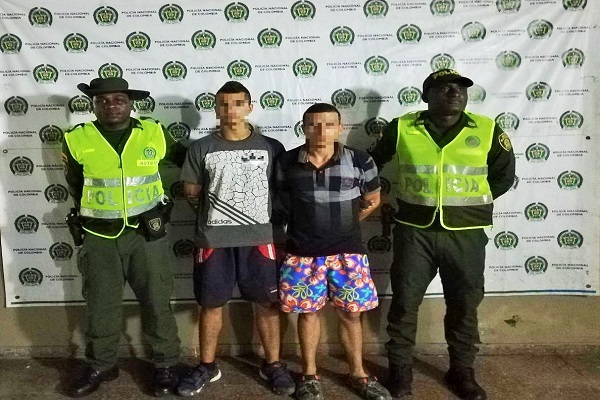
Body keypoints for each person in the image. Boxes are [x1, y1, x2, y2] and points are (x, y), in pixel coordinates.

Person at [369, 69, 516, 400]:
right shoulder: (402, 127)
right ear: (426, 96)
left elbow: (503, 177)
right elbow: (369, 164)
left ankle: (461, 370)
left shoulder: (488, 129)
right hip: (414, 231)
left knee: (464, 303)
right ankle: (400, 371)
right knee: (405, 302)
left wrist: (469, 204)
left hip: (466, 233)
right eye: (444, 88)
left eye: (460, 88)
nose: (454, 93)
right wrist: (377, 198)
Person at [62, 77, 186, 397]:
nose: (111, 105)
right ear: (93, 105)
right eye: (102, 100)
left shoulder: (154, 131)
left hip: (146, 234)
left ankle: (165, 364)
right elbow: (76, 185)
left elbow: (184, 163)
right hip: (98, 235)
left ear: (131, 103)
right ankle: (102, 363)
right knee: (101, 305)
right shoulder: (76, 138)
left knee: (156, 300)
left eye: (118, 99)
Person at [176, 81, 294, 397]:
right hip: (214, 240)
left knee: (267, 303)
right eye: (224, 104)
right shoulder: (200, 148)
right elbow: (191, 192)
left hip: (261, 239)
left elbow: (282, 191)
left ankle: (273, 364)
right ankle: (207, 365)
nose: (231, 110)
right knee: (210, 304)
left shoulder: (271, 147)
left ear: (249, 107)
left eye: (238, 103)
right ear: (216, 109)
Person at [276, 103, 392, 400]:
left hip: (348, 254)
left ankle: (359, 374)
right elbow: (281, 203)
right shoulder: (286, 162)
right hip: (302, 254)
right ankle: (309, 375)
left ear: (339, 128)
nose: (321, 130)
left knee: (352, 315)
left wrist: (346, 224)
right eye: (313, 124)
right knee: (308, 314)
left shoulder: (360, 160)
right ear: (303, 128)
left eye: (329, 124)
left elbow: (372, 199)